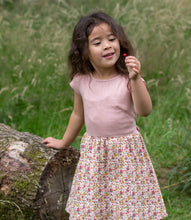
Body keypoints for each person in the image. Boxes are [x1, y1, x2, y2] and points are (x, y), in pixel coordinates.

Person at [42, 11, 168, 219]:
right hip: (95, 152)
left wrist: (136, 79)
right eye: (97, 42)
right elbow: (77, 114)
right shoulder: (82, 81)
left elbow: (145, 111)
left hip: (126, 153)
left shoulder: (127, 79)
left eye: (111, 39)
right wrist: (64, 142)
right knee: (96, 204)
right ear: (84, 52)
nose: (108, 46)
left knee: (128, 203)